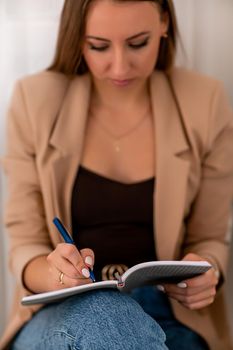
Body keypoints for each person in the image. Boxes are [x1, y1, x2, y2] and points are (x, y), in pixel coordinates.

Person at [1, 0, 233, 349]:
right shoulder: (34, 101)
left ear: (164, 24)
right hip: (62, 312)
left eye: (138, 43)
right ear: (77, 38)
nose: (120, 66)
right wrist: (54, 274)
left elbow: (210, 236)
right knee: (107, 314)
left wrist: (207, 271)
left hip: (171, 314)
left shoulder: (205, 101)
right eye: (98, 46)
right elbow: (25, 245)